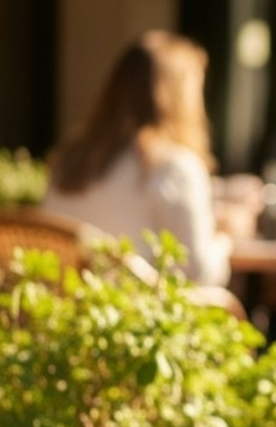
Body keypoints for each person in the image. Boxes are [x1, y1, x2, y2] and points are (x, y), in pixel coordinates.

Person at [45, 30, 231, 286]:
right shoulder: (175, 166)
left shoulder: (71, 158)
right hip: (136, 319)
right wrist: (226, 240)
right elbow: (200, 275)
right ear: (183, 98)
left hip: (65, 314)